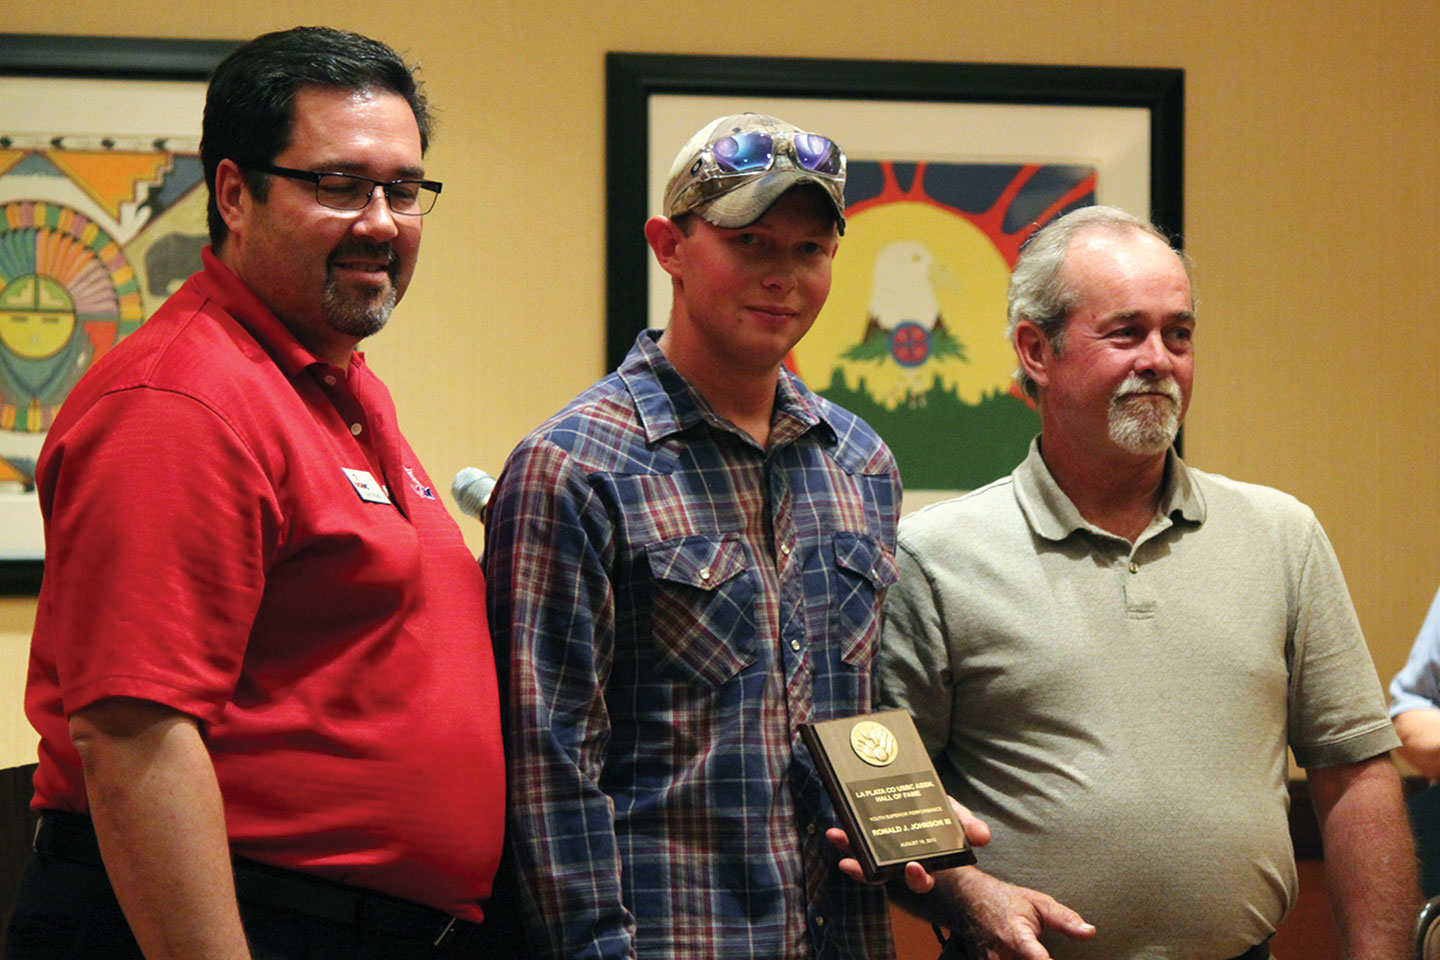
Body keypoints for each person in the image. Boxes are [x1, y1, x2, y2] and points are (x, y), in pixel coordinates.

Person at [7, 27, 509, 960]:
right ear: (235, 195)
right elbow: (131, 734)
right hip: (232, 922)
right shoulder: (179, 401)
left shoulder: (334, 386)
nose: (382, 221)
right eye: (340, 185)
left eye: (404, 190)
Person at [879, 205, 1418, 960]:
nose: (1160, 359)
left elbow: (1353, 770)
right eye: (1127, 332)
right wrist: (965, 893)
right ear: (1036, 350)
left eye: (1180, 334)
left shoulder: (1281, 534)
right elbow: (887, 797)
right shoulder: (934, 555)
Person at [487, 112, 935, 960]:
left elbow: (857, 724)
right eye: (753, 243)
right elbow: (550, 773)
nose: (783, 277)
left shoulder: (862, 463)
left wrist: (923, 842)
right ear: (670, 247)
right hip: (668, 938)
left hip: (844, 936)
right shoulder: (574, 467)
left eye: (810, 250)